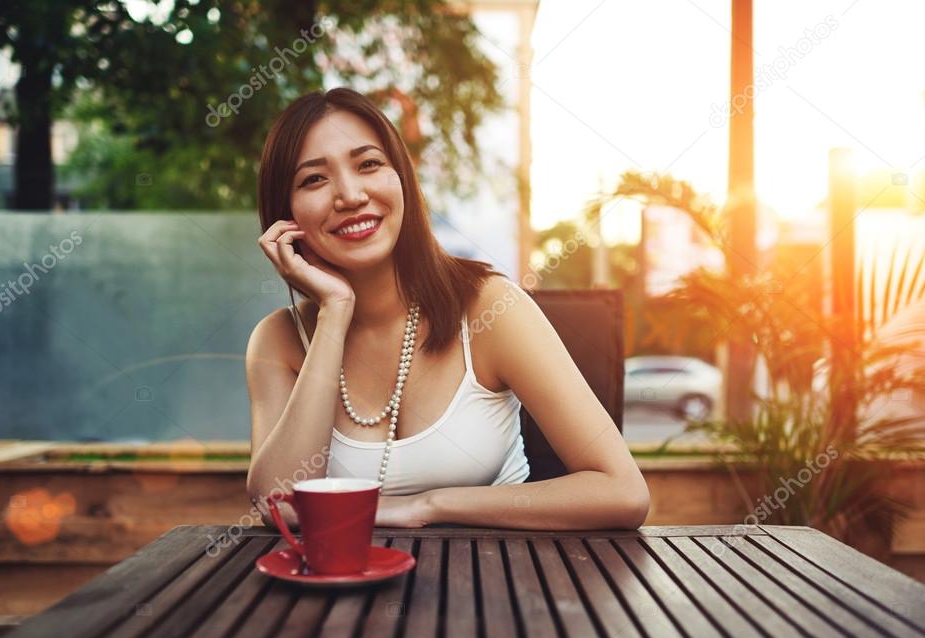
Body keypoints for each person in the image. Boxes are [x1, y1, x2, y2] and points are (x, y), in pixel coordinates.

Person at [246, 87, 649, 530]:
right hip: (341, 591)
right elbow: (277, 504)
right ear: (286, 216)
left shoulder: (491, 307)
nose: (350, 195)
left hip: (497, 582)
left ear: (402, 178)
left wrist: (429, 506)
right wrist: (335, 312)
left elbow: (622, 491)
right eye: (314, 179)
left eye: (368, 164)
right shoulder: (279, 340)